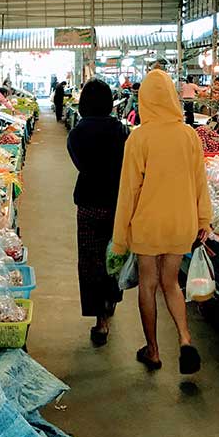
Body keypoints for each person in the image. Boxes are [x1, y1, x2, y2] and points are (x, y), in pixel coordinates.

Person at [110, 67, 212, 375]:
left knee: (148, 284)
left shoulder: (139, 138)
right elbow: (200, 182)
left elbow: (128, 191)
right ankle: (184, 338)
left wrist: (119, 238)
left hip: (148, 224)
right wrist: (204, 219)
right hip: (182, 223)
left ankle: (153, 350)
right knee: (171, 284)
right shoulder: (189, 135)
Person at [67, 80, 128, 345]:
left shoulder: (77, 133)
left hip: (89, 204)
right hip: (117, 204)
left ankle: (100, 321)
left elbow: (80, 163)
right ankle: (111, 300)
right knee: (113, 258)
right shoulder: (121, 131)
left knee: (91, 261)